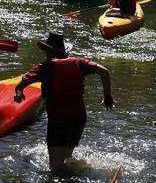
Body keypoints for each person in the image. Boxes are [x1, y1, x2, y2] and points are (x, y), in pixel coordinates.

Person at [14, 32, 114, 172]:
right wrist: (107, 96)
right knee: (66, 157)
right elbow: (104, 72)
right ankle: (80, 178)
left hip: (58, 120)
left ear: (47, 51)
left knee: (56, 166)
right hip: (78, 118)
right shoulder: (79, 63)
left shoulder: (44, 68)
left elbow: (20, 85)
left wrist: (19, 94)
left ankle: (80, 176)